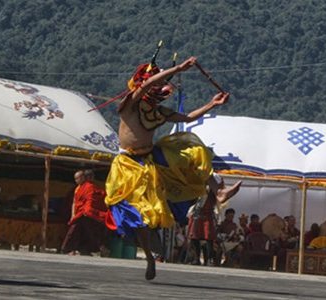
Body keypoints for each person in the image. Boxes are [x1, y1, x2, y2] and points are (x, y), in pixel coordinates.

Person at [103, 55, 238, 280]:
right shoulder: (129, 105)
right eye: (156, 83)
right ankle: (148, 258)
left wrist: (212, 104)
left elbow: (187, 116)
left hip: (151, 158)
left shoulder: (159, 112)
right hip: (128, 166)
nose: (159, 87)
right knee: (142, 217)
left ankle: (219, 190)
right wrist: (179, 68)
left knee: (193, 150)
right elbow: (146, 84)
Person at [187, 174, 242, 266]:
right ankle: (196, 259)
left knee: (209, 237)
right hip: (197, 211)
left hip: (207, 212)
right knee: (194, 236)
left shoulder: (213, 179)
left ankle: (210, 259)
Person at [61, 170, 108, 255]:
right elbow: (75, 202)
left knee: (88, 231)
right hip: (82, 213)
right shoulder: (80, 188)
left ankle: (85, 249)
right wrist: (73, 214)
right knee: (75, 231)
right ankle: (68, 249)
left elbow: (97, 199)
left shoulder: (91, 187)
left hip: (88, 213)